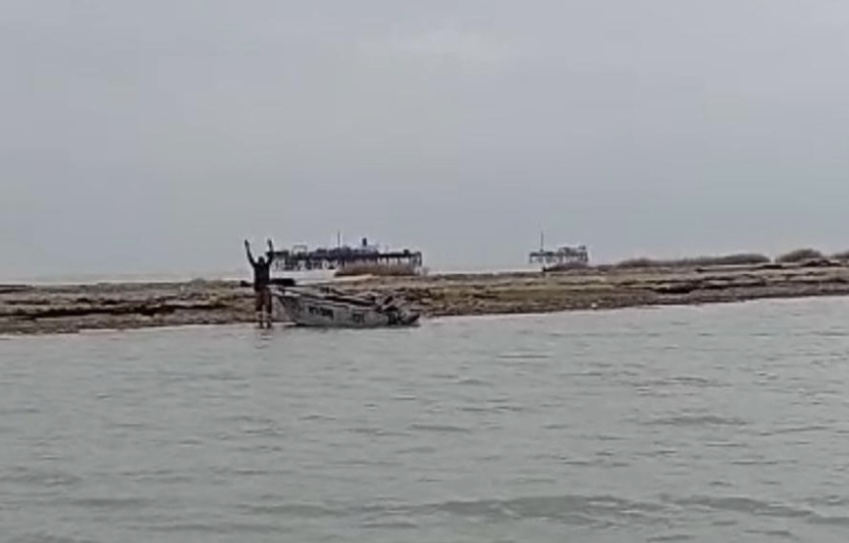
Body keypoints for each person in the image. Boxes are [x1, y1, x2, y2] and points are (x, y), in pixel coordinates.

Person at [245, 239, 275, 328]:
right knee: (259, 306)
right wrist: (247, 248)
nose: (261, 263)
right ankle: (260, 322)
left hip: (266, 288)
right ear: (259, 262)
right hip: (259, 289)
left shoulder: (266, 266)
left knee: (268, 305)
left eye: (262, 261)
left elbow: (271, 257)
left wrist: (271, 246)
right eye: (260, 261)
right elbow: (250, 258)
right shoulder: (256, 267)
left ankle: (268, 321)